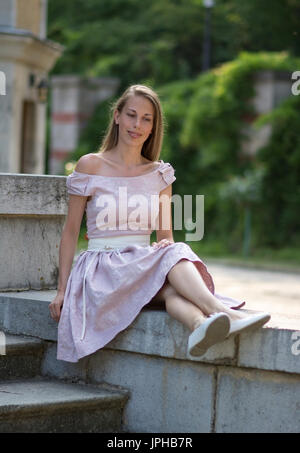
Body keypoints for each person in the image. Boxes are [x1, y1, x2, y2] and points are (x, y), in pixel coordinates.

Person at [49, 84, 270, 363]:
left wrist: (163, 249)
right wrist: (61, 290)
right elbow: (70, 233)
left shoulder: (159, 174)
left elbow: (166, 238)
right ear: (117, 116)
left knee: (171, 280)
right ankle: (221, 311)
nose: (137, 125)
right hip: (102, 269)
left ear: (153, 127)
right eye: (131, 115)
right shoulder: (90, 165)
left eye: (146, 119)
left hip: (140, 263)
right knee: (172, 263)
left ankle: (200, 325)